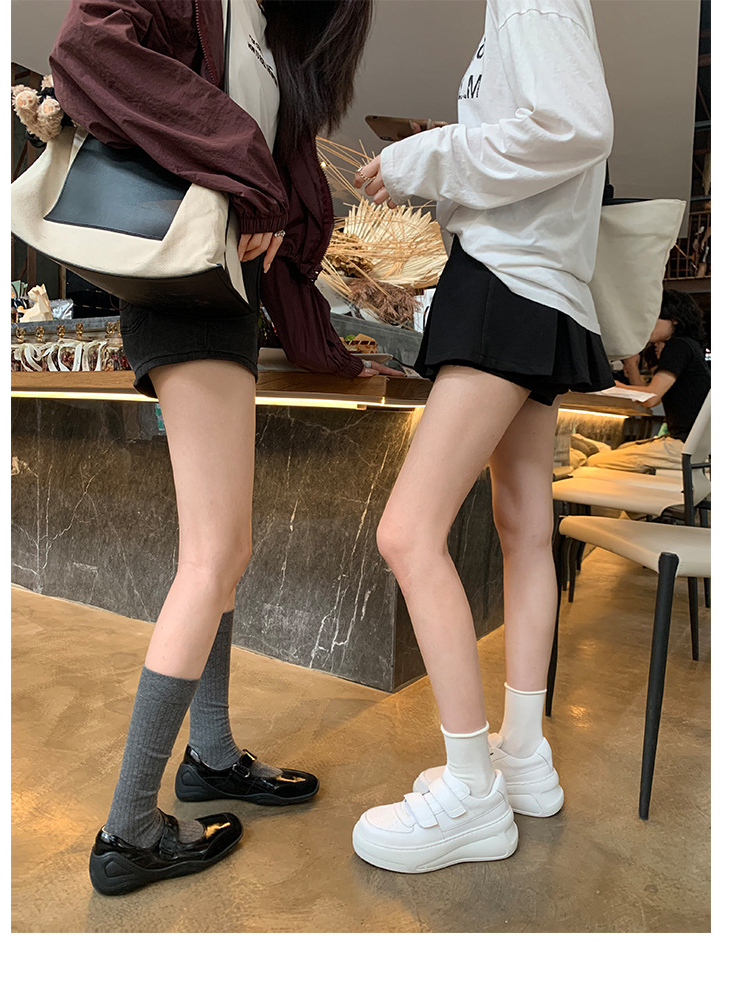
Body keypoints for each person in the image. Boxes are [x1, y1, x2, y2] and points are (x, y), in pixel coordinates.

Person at [48, 0, 387, 896]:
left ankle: (211, 755)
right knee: (214, 555)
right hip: (181, 281)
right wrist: (248, 177)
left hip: (226, 297)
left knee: (222, 552)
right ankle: (128, 830)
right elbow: (87, 46)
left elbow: (276, 179)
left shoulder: (270, 29)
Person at [351, 0, 614, 873]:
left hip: (506, 281)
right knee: (524, 531)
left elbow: (574, 127)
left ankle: (471, 792)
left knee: (408, 532)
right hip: (543, 288)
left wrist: (419, 158)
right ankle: (523, 758)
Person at [590, 289, 711, 472]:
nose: (647, 324)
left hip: (686, 447)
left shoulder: (678, 346)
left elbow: (651, 398)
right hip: (697, 447)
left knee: (595, 461)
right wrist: (631, 364)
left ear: (674, 319)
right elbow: (650, 396)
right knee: (621, 449)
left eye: (653, 317)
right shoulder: (689, 346)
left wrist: (610, 385)